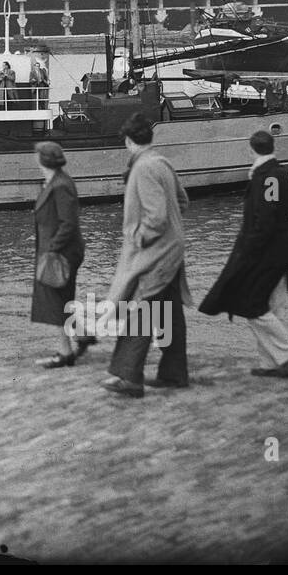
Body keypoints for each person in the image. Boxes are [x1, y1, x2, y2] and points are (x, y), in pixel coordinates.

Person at [199, 130, 288, 378]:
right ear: (273, 147)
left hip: (266, 253)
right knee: (271, 306)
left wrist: (248, 252)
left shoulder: (267, 178)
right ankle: (272, 362)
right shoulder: (279, 174)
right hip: (282, 250)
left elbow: (265, 220)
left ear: (251, 150)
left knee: (251, 305)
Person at [103, 112, 191, 398]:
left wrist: (138, 238)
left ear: (129, 142)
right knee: (169, 312)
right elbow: (183, 201)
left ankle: (129, 377)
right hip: (173, 250)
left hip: (156, 252)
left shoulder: (142, 168)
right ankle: (174, 374)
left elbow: (156, 218)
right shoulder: (162, 163)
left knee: (143, 308)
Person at [30, 142, 88, 369]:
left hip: (60, 254)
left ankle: (65, 353)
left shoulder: (60, 185)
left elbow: (68, 223)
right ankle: (82, 336)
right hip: (59, 250)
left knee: (55, 303)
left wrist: (52, 249)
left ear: (42, 160)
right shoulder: (57, 181)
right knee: (61, 300)